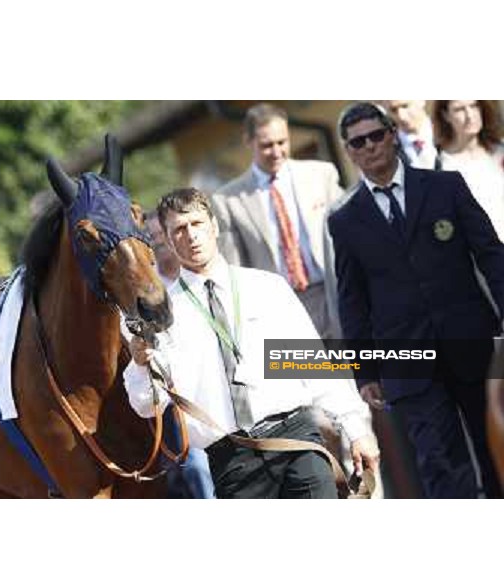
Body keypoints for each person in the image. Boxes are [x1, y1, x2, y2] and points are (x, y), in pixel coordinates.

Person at [123, 188, 379, 499]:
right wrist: (139, 364)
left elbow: (314, 365)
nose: (191, 236)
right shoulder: (161, 315)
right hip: (233, 460)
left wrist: (357, 429)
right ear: (164, 237)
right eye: (179, 229)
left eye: (197, 224)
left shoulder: (265, 287)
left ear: (214, 226)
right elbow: (147, 405)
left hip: (297, 441)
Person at [328, 102, 504, 498]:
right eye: (359, 141)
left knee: (493, 447)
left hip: (471, 342)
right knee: (440, 463)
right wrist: (365, 371)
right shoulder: (345, 220)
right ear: (349, 151)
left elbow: (491, 255)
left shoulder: (446, 186)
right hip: (407, 362)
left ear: (392, 134)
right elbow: (352, 300)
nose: (370, 146)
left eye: (376, 135)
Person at [212, 103, 343, 341]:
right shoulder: (227, 200)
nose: (276, 151)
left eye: (282, 142)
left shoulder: (321, 175)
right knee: (299, 375)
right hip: (280, 311)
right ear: (248, 141)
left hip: (331, 296)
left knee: (353, 374)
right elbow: (235, 271)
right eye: (266, 145)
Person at [143, 210, 215, 499]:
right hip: (179, 400)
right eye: (151, 237)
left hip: (219, 386)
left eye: (161, 234)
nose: (158, 242)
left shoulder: (204, 275)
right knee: (197, 468)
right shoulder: (147, 292)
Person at [431, 100, 504, 240]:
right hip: (479, 254)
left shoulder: (500, 151)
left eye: (474, 106)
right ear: (445, 115)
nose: (470, 115)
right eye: (459, 109)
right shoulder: (441, 163)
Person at [380, 100, 439, 169]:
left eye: (405, 106)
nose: (401, 116)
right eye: (393, 110)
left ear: (422, 101)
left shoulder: (449, 133)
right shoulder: (387, 149)